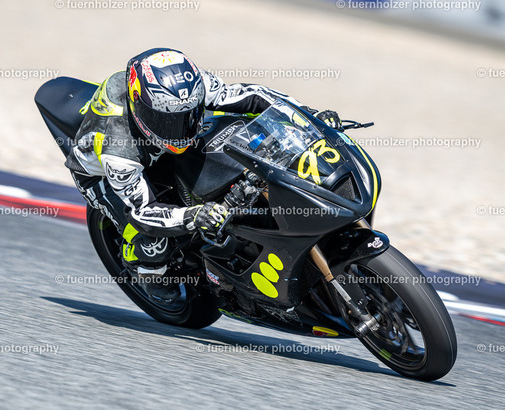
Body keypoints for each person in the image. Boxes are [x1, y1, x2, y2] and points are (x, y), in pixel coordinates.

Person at [64, 47, 341, 302]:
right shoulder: (118, 150)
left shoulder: (191, 87)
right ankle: (146, 270)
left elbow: (252, 96)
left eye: (187, 115)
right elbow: (143, 212)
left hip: (157, 150)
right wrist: (194, 216)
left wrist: (308, 116)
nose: (179, 129)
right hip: (100, 176)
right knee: (152, 238)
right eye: (167, 121)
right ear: (141, 108)